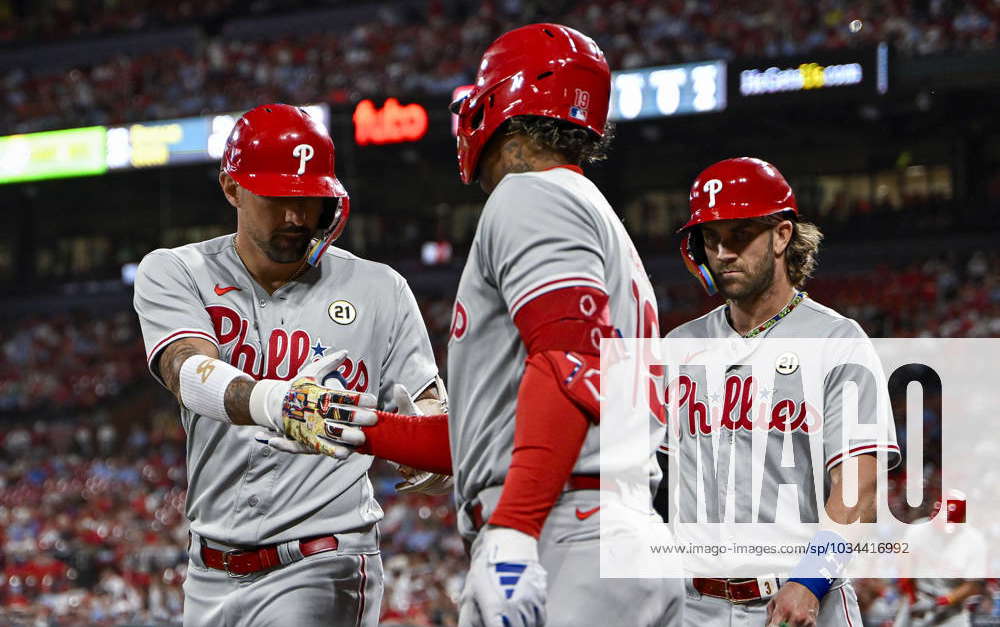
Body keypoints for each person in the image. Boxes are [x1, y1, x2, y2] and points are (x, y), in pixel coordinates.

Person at [280, 23, 684, 627]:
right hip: (606, 527)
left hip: (564, 532)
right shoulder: (597, 219)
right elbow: (496, 431)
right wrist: (355, 425)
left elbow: (570, 366)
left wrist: (514, 532)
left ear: (500, 103)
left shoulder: (530, 195)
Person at [132, 103, 445, 626]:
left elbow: (428, 405)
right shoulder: (175, 271)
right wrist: (281, 403)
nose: (297, 217)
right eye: (278, 199)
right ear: (232, 188)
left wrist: (427, 450)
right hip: (208, 571)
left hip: (325, 560)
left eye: (309, 199)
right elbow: (185, 369)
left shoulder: (379, 288)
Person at [662, 157, 901, 627]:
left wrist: (811, 580)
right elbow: (653, 484)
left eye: (740, 235)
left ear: (781, 235)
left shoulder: (836, 340)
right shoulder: (678, 348)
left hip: (799, 601)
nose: (723, 252)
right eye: (711, 239)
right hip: (691, 605)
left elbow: (860, 485)